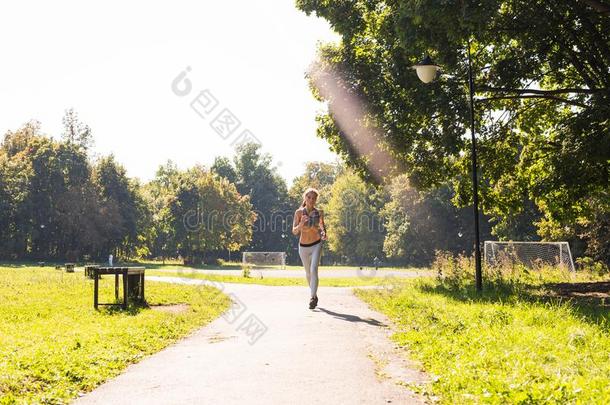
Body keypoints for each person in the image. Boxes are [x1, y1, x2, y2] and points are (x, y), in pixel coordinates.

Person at [292, 187, 327, 309]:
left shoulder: (319, 213)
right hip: (303, 247)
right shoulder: (298, 213)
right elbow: (294, 231)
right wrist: (301, 224)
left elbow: (322, 228)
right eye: (309, 197)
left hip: (316, 244)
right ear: (305, 198)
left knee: (314, 269)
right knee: (308, 272)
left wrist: (323, 234)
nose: (311, 200)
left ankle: (312, 298)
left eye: (314, 198)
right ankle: (315, 294)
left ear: (316, 200)